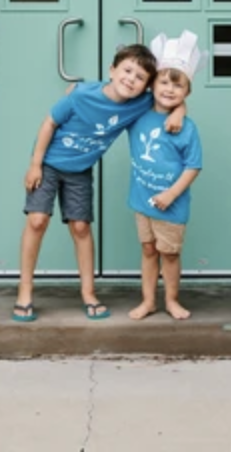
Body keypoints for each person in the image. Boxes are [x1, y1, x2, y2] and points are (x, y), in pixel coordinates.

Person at [13, 44, 184, 322]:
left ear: (146, 86)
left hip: (80, 170)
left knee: (80, 227)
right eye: (127, 71)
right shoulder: (81, 94)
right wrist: (35, 164)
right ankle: (25, 291)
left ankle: (88, 292)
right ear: (112, 70)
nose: (131, 79)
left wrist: (179, 111)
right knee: (37, 220)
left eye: (140, 77)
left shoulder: (138, 102)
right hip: (48, 163)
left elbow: (170, 97)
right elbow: (48, 124)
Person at [127, 30, 204, 321]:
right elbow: (118, 93)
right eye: (163, 82)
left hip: (171, 203)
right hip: (142, 199)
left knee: (169, 253)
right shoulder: (138, 113)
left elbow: (193, 165)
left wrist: (172, 193)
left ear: (187, 92)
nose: (170, 89)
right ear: (152, 85)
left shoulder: (187, 127)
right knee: (148, 249)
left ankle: (171, 299)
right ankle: (148, 301)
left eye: (178, 86)